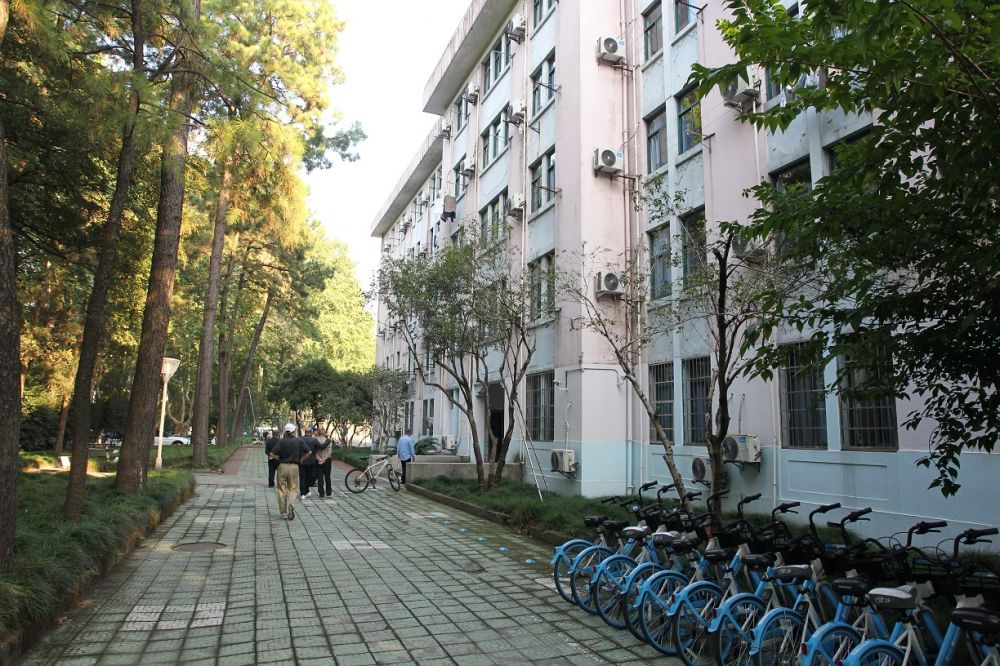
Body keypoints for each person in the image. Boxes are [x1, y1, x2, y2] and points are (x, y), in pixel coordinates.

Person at [270, 423, 303, 520]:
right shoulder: (299, 441)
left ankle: (283, 513)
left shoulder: (281, 441)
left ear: (285, 431)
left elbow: (272, 453)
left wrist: (278, 459)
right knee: (293, 489)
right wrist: (301, 460)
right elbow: (309, 452)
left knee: (282, 490)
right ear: (293, 431)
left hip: (282, 466)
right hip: (294, 466)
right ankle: (291, 504)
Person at [299, 426, 318, 499]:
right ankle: (306, 491)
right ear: (311, 432)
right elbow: (317, 449)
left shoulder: (300, 439)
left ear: (305, 432)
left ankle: (302, 493)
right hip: (311, 462)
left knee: (302, 477)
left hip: (302, 461)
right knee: (309, 477)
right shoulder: (314, 440)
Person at [314, 429, 332, 498]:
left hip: (318, 460)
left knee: (320, 477)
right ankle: (328, 492)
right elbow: (329, 452)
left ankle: (321, 493)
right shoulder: (328, 441)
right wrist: (324, 459)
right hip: (327, 460)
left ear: (318, 433)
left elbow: (314, 451)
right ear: (325, 433)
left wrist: (319, 459)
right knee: (327, 476)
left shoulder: (315, 440)